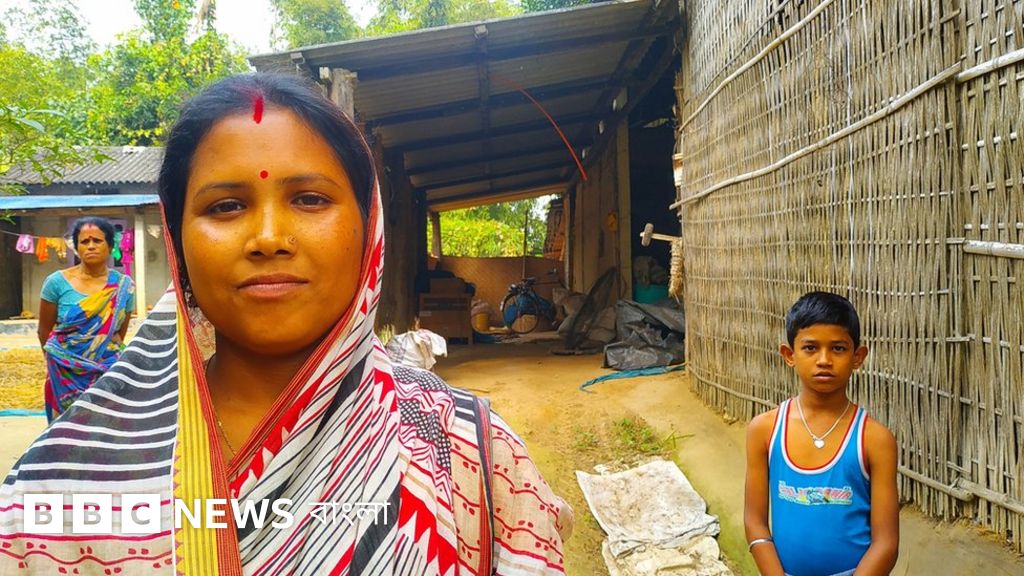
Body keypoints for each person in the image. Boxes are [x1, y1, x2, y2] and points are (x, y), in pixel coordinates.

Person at [1, 73, 571, 575]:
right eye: (226, 206)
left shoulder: (468, 449)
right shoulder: (63, 484)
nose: (269, 238)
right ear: (178, 242)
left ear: (368, 228)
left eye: (309, 199)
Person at [744, 292, 899, 576]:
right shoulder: (764, 430)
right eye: (810, 348)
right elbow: (755, 522)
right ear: (789, 355)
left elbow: (886, 543)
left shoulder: (874, 440)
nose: (824, 360)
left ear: (858, 357)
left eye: (838, 348)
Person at [36, 216, 135, 422]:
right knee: (65, 432)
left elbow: (118, 333)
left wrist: (98, 353)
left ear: (110, 246)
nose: (90, 246)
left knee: (108, 430)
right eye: (84, 241)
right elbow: (44, 330)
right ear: (77, 248)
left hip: (107, 372)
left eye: (97, 240)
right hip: (64, 374)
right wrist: (61, 360)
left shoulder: (124, 286)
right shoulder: (56, 283)